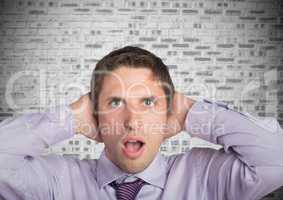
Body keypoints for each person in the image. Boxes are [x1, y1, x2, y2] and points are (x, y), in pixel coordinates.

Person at [0, 46, 283, 200]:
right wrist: (70, 119)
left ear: (167, 113)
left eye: (148, 103)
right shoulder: (57, 183)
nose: (132, 121)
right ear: (94, 115)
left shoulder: (206, 178)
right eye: (115, 102)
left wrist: (189, 113)